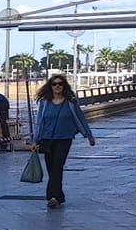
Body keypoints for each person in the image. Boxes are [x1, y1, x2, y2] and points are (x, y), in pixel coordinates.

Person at [31, 72, 95, 207]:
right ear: (51, 87)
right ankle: (59, 196)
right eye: (54, 84)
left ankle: (52, 197)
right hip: (47, 139)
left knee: (57, 166)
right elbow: (40, 122)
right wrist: (35, 140)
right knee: (51, 168)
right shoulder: (45, 103)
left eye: (60, 84)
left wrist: (88, 135)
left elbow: (81, 118)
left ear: (64, 86)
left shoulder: (71, 103)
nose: (57, 86)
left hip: (64, 139)